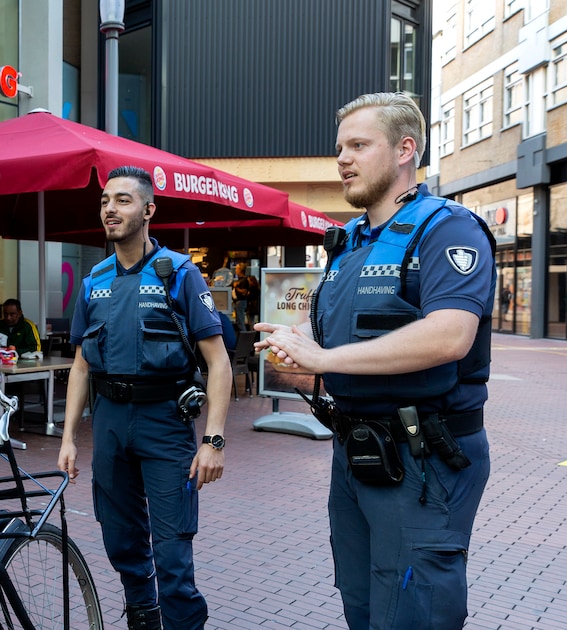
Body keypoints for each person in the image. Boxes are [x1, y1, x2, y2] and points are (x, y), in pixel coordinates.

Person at [255, 92, 494, 630]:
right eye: (340, 147)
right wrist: (296, 342)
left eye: (359, 145)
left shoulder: (448, 227)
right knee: (362, 604)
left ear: (405, 149)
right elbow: (338, 337)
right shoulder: (351, 243)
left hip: (423, 457)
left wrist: (326, 355)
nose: (342, 159)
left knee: (413, 609)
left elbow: (451, 335)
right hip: (358, 452)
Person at [57, 165, 231, 630]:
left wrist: (213, 440)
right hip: (110, 421)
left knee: (172, 550)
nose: (110, 209)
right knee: (121, 540)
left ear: (149, 210)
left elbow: (219, 363)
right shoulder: (94, 280)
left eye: (123, 200)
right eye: (104, 201)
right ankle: (143, 617)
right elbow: (80, 365)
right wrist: (69, 437)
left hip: (164, 421)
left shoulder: (179, 273)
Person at [232, 262, 257, 328]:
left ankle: (244, 334)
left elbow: (244, 292)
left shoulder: (244, 280)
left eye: (237, 269)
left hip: (241, 301)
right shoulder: (240, 280)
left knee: (240, 321)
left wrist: (236, 287)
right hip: (238, 301)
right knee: (239, 320)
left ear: (240, 270)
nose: (235, 270)